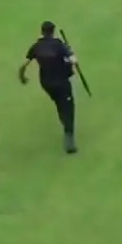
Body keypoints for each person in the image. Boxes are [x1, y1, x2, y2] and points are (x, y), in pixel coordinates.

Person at [19, 21, 80, 154]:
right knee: (68, 108)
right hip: (61, 82)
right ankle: (69, 140)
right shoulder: (59, 45)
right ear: (53, 31)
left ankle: (65, 122)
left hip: (46, 84)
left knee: (59, 102)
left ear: (42, 31)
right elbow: (73, 60)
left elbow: (24, 64)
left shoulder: (37, 46)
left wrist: (22, 77)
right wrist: (71, 57)